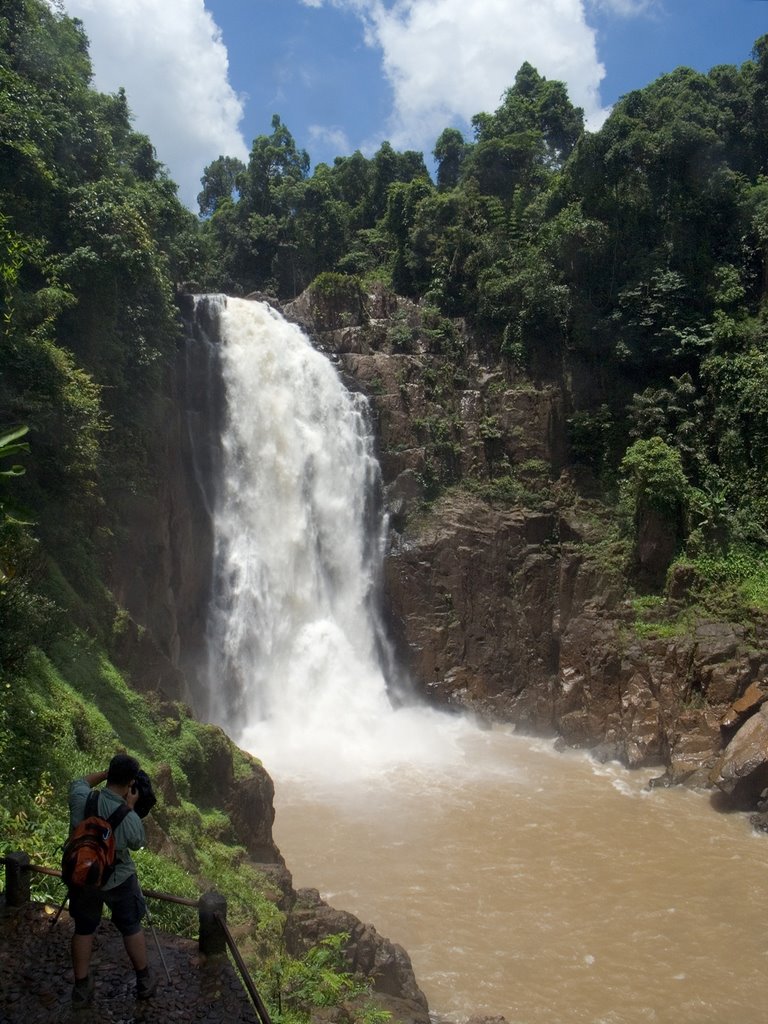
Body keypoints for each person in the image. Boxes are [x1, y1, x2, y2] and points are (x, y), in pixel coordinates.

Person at [67, 753, 158, 1008]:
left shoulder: (81, 798)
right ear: (130, 783)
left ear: (109, 773)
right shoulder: (128, 818)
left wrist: (106, 775)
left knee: (83, 929)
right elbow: (137, 842)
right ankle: (143, 980)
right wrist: (128, 808)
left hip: (83, 875)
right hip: (118, 879)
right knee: (131, 926)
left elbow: (80, 781)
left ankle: (81, 987)